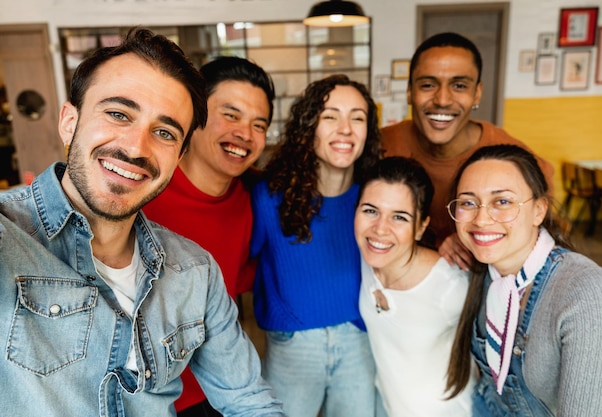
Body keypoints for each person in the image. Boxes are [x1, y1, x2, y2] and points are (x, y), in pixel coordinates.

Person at [0, 28, 284, 417]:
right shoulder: (9, 237)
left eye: (164, 132)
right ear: (69, 121)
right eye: (118, 114)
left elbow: (249, 400)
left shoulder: (196, 270)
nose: (136, 147)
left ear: (178, 154)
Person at [445, 144, 602, 416]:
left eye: (502, 201)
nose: (481, 219)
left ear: (539, 210)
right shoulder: (482, 272)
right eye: (468, 203)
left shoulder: (587, 292)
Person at [142, 56, 275, 417]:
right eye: (230, 115)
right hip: (145, 395)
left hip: (217, 389)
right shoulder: (142, 192)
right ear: (194, 115)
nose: (244, 135)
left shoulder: (253, 200)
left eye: (258, 124)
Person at [250, 74, 381, 417]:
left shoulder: (375, 199)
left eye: (357, 117)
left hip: (359, 339)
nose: (345, 129)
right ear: (309, 126)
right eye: (330, 116)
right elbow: (236, 267)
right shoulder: (269, 198)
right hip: (293, 343)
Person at [380, 32, 554, 269]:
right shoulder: (381, 146)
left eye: (459, 85)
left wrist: (472, 235)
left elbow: (547, 232)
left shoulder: (511, 161)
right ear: (410, 91)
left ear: (477, 93)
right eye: (428, 85)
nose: (442, 100)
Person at [354, 156, 474, 417]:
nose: (380, 229)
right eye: (370, 210)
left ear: (421, 227)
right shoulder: (367, 258)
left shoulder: (449, 287)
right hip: (388, 408)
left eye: (399, 217)